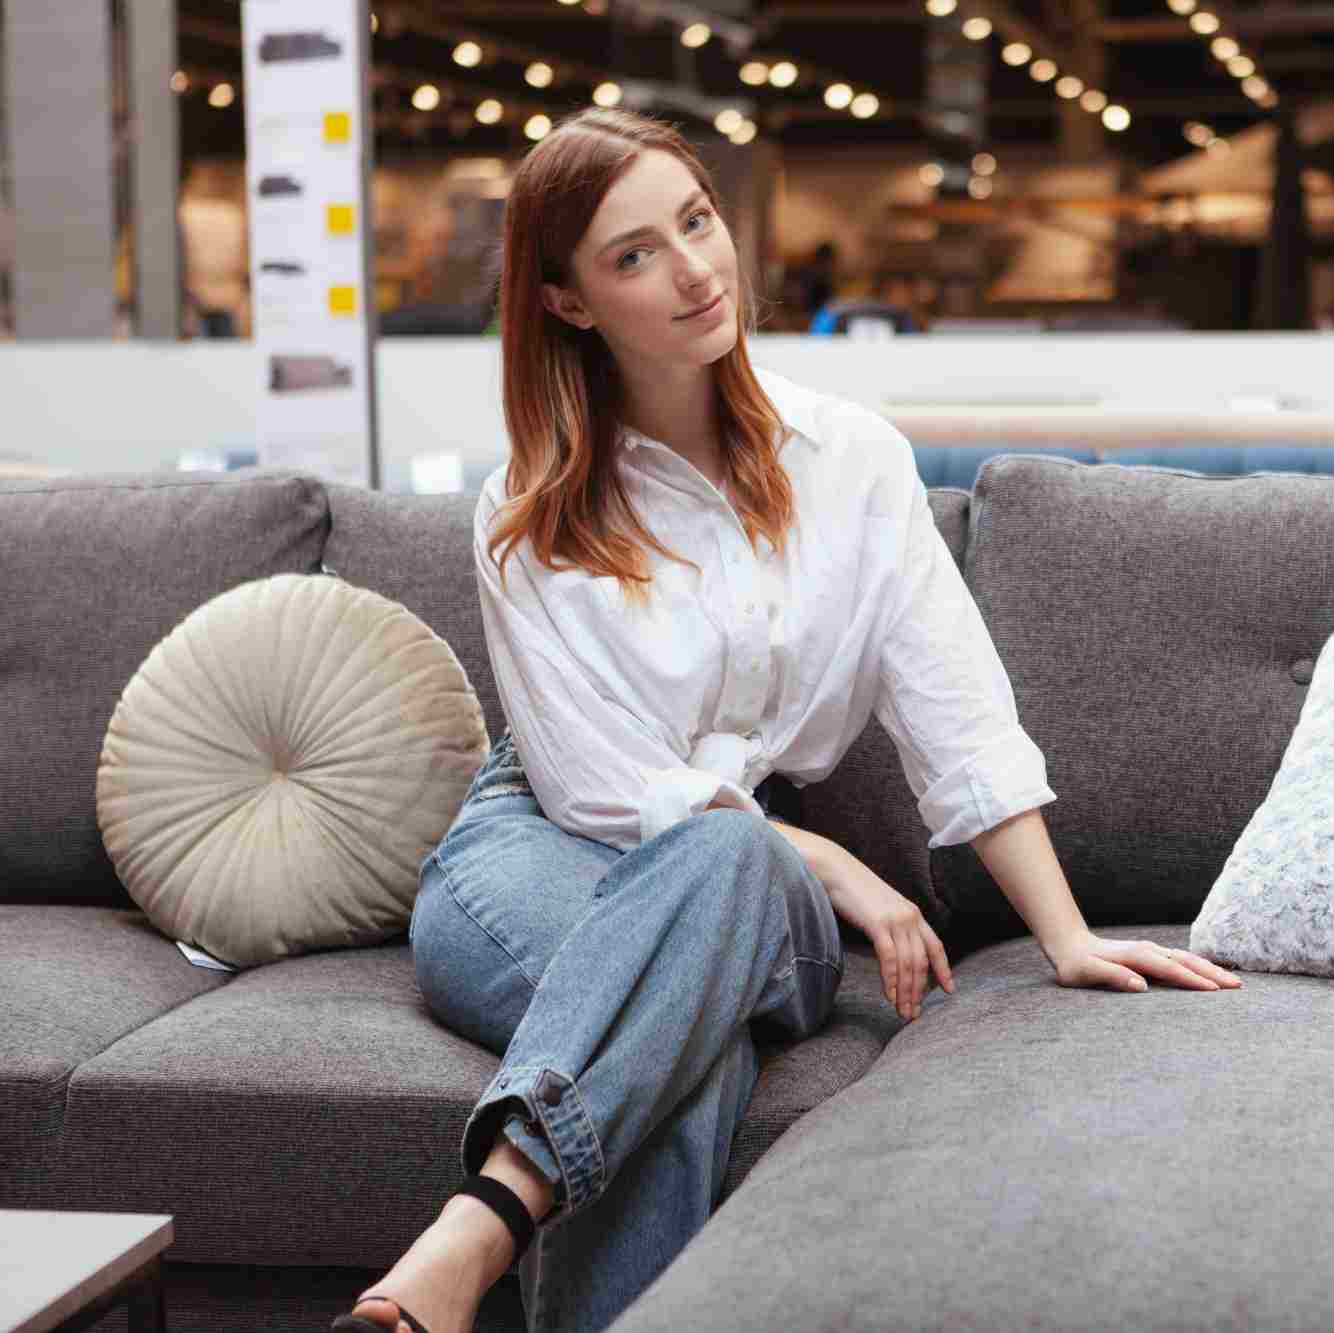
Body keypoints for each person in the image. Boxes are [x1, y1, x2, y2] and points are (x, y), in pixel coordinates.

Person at [334, 106, 1242, 1333]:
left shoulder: (850, 459)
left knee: (718, 867)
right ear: (566, 303)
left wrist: (1067, 935)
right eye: (634, 254)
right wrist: (825, 865)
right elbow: (597, 786)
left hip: (740, 876)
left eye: (696, 222)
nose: (696, 269)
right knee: (687, 1033)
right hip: (532, 852)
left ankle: (474, 1228)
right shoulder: (526, 510)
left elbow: (957, 714)